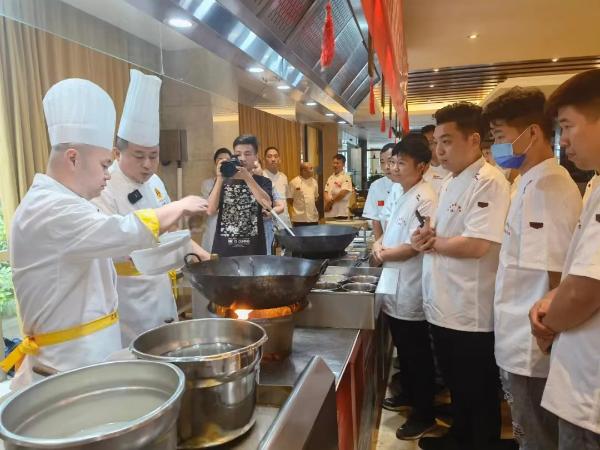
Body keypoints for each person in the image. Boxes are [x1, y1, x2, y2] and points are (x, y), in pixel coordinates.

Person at [3, 78, 208, 387]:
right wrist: (179, 207)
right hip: (66, 363)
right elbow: (121, 233)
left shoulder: (70, 202)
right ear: (73, 158)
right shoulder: (50, 208)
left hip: (90, 355)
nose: (107, 174)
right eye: (103, 165)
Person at [484, 87, 582, 450]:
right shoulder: (526, 180)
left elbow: (556, 273)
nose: (497, 147)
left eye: (500, 137)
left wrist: (547, 334)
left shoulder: (547, 185)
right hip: (515, 332)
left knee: (536, 437)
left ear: (533, 133)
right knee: (526, 429)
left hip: (531, 344)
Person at [411, 102, 511, 450]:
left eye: (447, 141)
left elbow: (477, 244)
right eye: (436, 142)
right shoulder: (452, 181)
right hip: (443, 303)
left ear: (474, 139)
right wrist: (425, 237)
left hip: (470, 309)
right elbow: (443, 232)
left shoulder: (489, 181)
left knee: (477, 389)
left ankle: (479, 443)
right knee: (457, 385)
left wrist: (433, 243)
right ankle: (459, 438)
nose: (439, 150)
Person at [92, 69, 211, 346]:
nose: (147, 164)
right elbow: (113, 243)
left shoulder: (155, 181)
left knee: (168, 346)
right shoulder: (104, 185)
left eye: (154, 156)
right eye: (139, 156)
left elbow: (168, 232)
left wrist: (205, 257)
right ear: (117, 153)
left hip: (160, 288)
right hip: (128, 296)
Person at [529, 69, 600, 450]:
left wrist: (548, 325)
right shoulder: (595, 183)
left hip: (591, 386)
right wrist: (551, 300)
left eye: (569, 126)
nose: (565, 140)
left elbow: (584, 290)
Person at [372, 133, 438, 440]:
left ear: (422, 166)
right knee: (406, 351)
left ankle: (424, 415)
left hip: (411, 287)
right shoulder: (402, 191)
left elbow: (414, 246)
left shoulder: (426, 197)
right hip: (394, 283)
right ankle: (408, 395)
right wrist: (379, 245)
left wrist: (382, 253)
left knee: (417, 355)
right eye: (393, 162)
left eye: (401, 163)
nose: (394, 168)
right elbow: (389, 231)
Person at [207, 134, 273, 256]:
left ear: (256, 157)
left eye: (247, 154)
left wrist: (247, 178)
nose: (242, 158)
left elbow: (267, 205)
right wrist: (220, 178)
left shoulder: (263, 181)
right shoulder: (223, 181)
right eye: (238, 154)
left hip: (254, 251)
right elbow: (210, 210)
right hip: (224, 251)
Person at [200, 148, 232, 250]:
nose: (224, 161)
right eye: (220, 159)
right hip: (213, 225)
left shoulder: (236, 182)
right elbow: (210, 208)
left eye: (227, 159)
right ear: (215, 162)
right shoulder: (207, 184)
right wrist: (219, 178)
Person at [363, 143, 395, 239]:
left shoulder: (407, 184)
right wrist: (379, 244)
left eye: (390, 161)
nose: (386, 167)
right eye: (382, 162)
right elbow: (376, 220)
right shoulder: (376, 186)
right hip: (384, 240)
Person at [262, 146, 288, 253]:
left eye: (276, 156)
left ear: (279, 159)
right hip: (269, 222)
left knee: (285, 253)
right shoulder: (261, 176)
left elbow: (285, 201)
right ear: (264, 160)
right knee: (270, 251)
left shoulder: (284, 177)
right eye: (269, 156)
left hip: (284, 221)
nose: (273, 159)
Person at [421, 124, 450, 195]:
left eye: (431, 143)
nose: (428, 147)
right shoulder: (422, 169)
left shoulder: (450, 167)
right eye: (426, 144)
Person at [288, 162, 319, 226]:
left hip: (313, 218)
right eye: (311, 168)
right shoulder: (294, 182)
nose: (313, 170)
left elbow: (315, 198)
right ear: (304, 171)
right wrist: (299, 206)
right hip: (299, 219)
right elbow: (289, 199)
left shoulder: (314, 182)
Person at [324, 154, 352, 218]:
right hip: (329, 212)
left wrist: (329, 204)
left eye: (337, 163)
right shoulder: (331, 177)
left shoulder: (346, 177)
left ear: (343, 164)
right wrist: (328, 202)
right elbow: (326, 191)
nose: (335, 165)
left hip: (340, 212)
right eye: (334, 163)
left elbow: (343, 193)